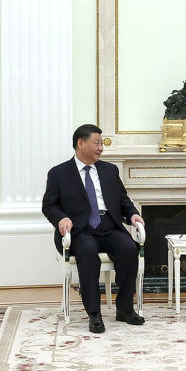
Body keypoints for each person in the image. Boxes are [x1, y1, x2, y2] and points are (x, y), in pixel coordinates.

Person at [42, 124, 146, 333]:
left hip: (109, 225)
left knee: (129, 249)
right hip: (80, 229)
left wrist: (132, 214)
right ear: (80, 143)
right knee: (88, 253)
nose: (101, 148)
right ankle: (94, 314)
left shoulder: (109, 170)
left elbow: (122, 199)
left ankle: (125, 309)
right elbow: (49, 205)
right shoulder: (59, 173)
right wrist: (61, 219)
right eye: (97, 143)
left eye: (101, 144)